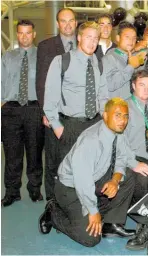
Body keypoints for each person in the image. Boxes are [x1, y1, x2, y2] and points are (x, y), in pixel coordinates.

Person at [38, 98, 148, 247]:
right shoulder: (90, 141)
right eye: (117, 115)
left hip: (95, 180)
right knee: (90, 238)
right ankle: (53, 213)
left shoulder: (118, 131)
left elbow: (121, 158)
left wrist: (115, 181)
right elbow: (82, 181)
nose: (123, 120)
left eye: (125, 116)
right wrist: (92, 211)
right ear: (105, 115)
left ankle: (111, 224)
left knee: (128, 176)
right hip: (70, 188)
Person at [43, 21, 108, 163]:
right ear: (79, 38)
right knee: (69, 175)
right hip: (70, 126)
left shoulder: (99, 63)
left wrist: (105, 120)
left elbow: (103, 95)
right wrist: (59, 129)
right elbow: (50, 98)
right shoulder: (62, 61)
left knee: (93, 170)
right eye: (88, 37)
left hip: (95, 125)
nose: (92, 42)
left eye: (96, 38)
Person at [1, 20, 44, 206]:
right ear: (17, 35)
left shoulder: (42, 57)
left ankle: (34, 189)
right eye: (21, 33)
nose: (24, 36)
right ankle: (12, 192)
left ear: (34, 34)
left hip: (34, 108)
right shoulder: (7, 57)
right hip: (10, 109)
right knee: (11, 154)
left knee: (34, 153)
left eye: (28, 33)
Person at [36, 7, 77, 201]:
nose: (67, 25)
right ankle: (52, 203)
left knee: (76, 157)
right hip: (55, 112)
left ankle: (74, 199)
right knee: (52, 160)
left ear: (75, 23)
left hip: (78, 114)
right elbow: (41, 81)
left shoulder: (86, 44)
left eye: (71, 21)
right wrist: (46, 111)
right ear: (58, 23)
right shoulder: (46, 46)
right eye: (63, 21)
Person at [124, 70, 148, 203]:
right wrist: (133, 163)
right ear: (133, 86)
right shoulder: (124, 108)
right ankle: (144, 220)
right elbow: (119, 142)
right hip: (131, 158)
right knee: (144, 182)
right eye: (142, 85)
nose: (146, 89)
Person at [102, 22, 145, 99]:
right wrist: (130, 67)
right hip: (118, 107)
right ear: (118, 38)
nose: (131, 41)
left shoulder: (135, 57)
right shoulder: (110, 58)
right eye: (127, 37)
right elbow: (110, 84)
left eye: (134, 38)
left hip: (133, 106)